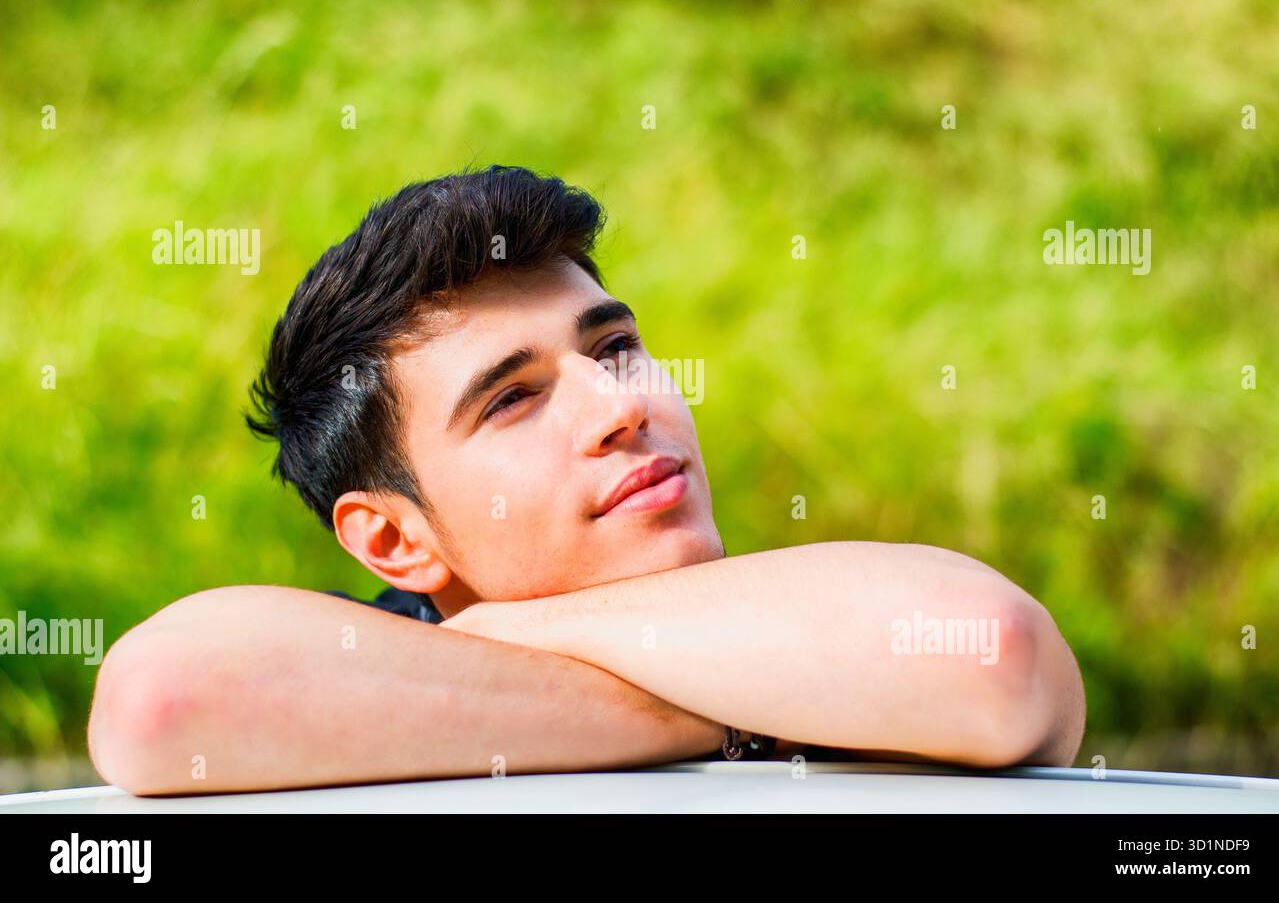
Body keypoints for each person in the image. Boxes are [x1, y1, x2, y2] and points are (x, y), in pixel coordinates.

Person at [87, 166, 1086, 795]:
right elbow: (159, 702)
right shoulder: (354, 664)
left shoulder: (813, 618)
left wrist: (512, 630)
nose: (622, 405)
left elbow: (995, 657)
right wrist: (732, 716)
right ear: (395, 542)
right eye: (512, 399)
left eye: (613, 346)